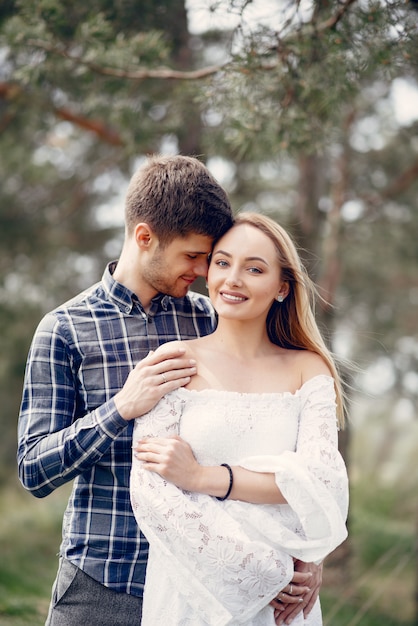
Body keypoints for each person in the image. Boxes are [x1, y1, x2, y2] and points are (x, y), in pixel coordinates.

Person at [17, 155, 318, 626]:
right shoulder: (64, 330)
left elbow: (276, 444)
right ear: (144, 238)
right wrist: (120, 409)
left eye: (208, 257)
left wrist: (305, 552)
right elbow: (33, 469)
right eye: (193, 256)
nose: (204, 271)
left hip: (201, 588)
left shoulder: (211, 318)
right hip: (104, 581)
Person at [131, 212, 349, 625]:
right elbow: (152, 493)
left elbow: (324, 483)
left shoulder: (310, 370)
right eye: (223, 262)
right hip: (194, 593)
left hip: (287, 603)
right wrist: (265, 573)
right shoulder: (173, 362)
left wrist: (201, 477)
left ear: (282, 288)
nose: (233, 279)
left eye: (254, 268)